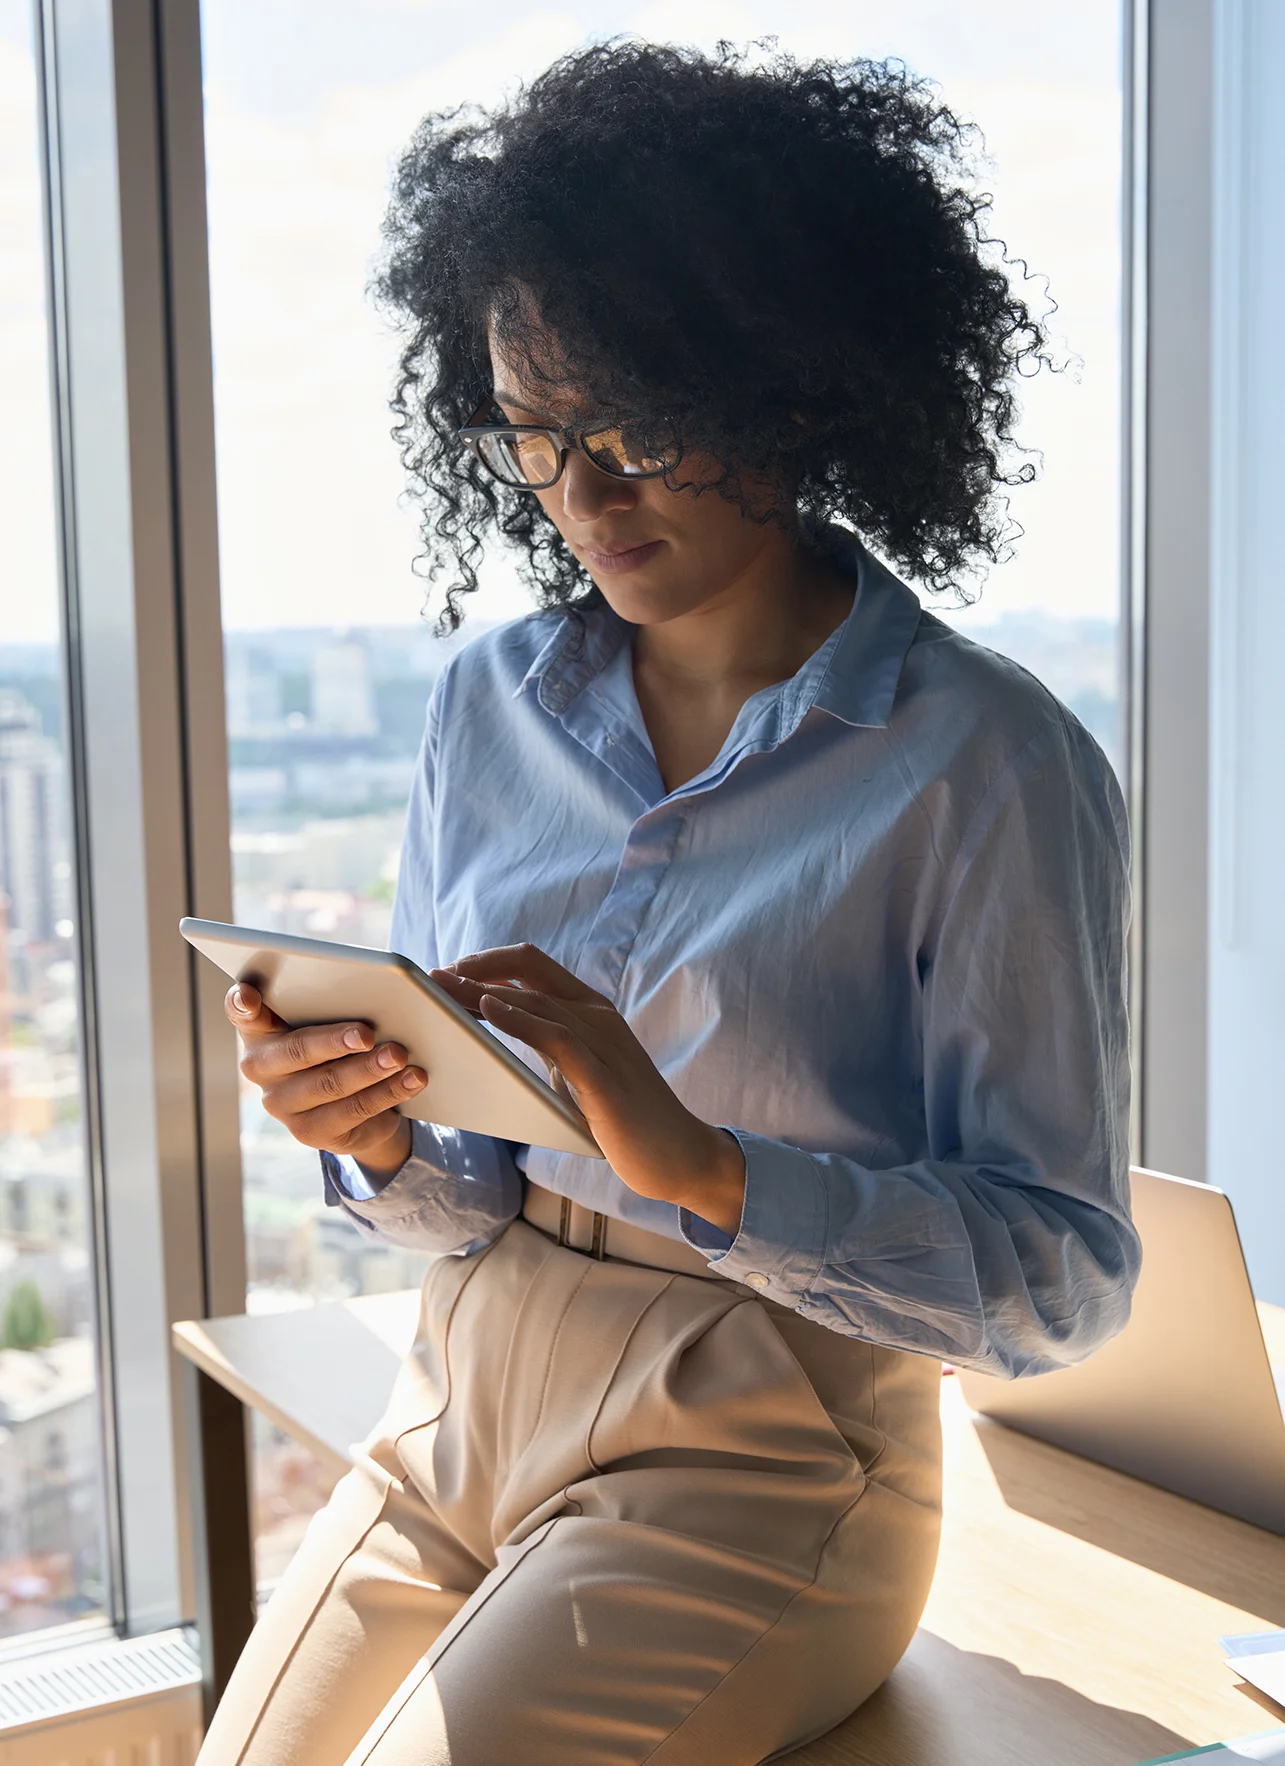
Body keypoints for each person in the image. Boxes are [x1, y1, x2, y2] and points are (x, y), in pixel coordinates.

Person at [197, 39, 1139, 1766]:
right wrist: (381, 1134)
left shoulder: (989, 765)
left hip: (764, 1452)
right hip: (462, 1394)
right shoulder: (485, 703)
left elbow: (1062, 1278)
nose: (583, 495)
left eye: (633, 425)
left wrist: (710, 1169)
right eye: (534, 436)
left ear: (791, 388)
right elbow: (462, 1200)